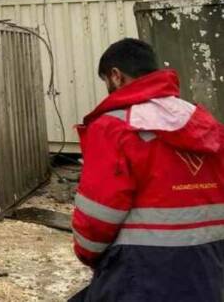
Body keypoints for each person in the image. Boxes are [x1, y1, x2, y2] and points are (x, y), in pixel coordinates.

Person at [70, 38, 224, 301]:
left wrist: (89, 254)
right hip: (211, 267)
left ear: (116, 76)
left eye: (106, 80)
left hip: (141, 272)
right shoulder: (200, 120)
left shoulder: (114, 126)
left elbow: (97, 220)